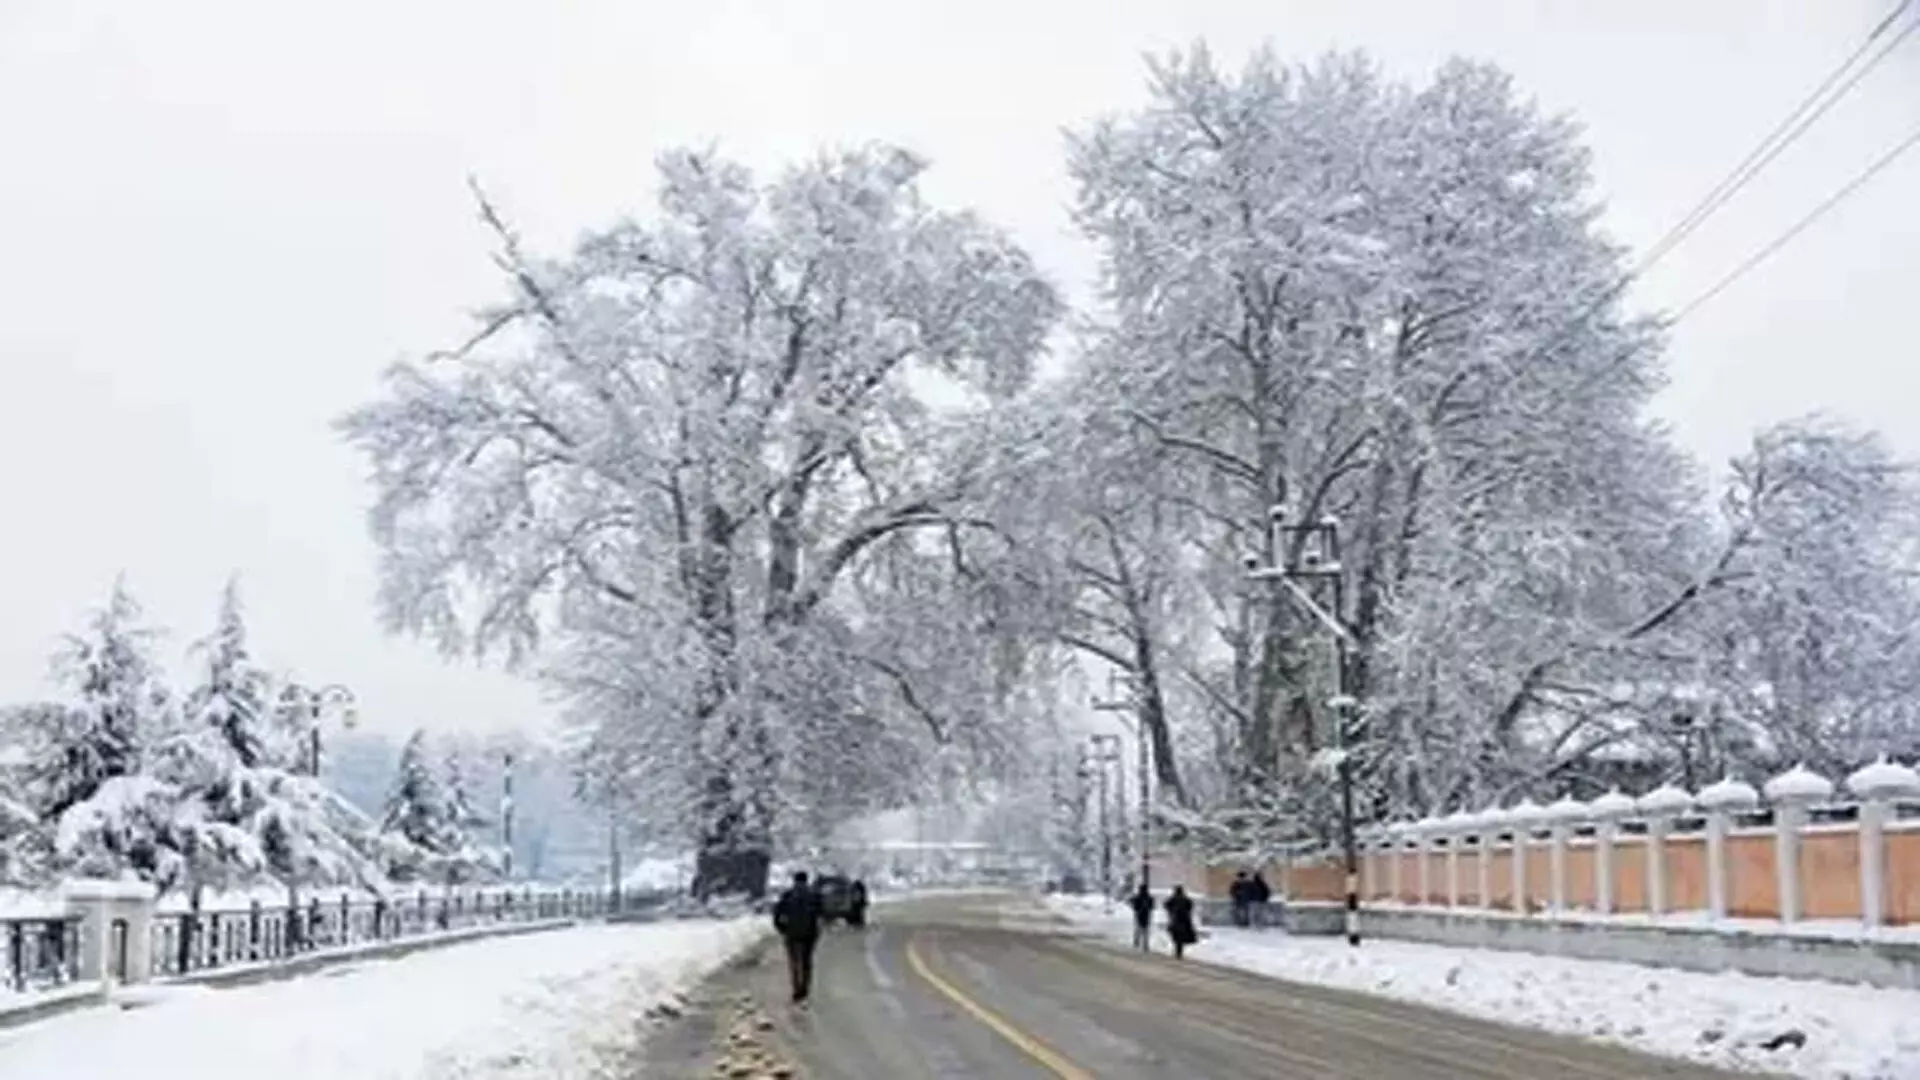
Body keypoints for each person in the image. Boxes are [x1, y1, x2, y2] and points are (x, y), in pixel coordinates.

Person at [772, 871, 823, 1003]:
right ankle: (804, 989)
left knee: (794, 962)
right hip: (809, 934)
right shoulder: (813, 895)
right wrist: (816, 929)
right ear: (806, 880)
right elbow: (821, 913)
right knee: (806, 962)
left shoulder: (788, 895)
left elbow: (777, 913)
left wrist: (782, 929)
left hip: (792, 933)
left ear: (795, 880)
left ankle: (796, 989)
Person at [1164, 885, 1198, 960]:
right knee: (1180, 937)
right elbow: (1190, 906)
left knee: (1176, 936)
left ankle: (1178, 951)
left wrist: (1171, 911)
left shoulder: (1173, 899)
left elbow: (1166, 905)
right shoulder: (1185, 899)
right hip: (1184, 921)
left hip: (1176, 920)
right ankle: (1179, 951)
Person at [1128, 882, 1154, 951]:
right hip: (1147, 915)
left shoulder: (1138, 897)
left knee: (1138, 929)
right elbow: (1152, 906)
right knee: (1146, 930)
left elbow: (1134, 906)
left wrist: (1135, 907)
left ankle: (1136, 942)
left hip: (1139, 914)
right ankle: (1145, 945)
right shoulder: (1149, 897)